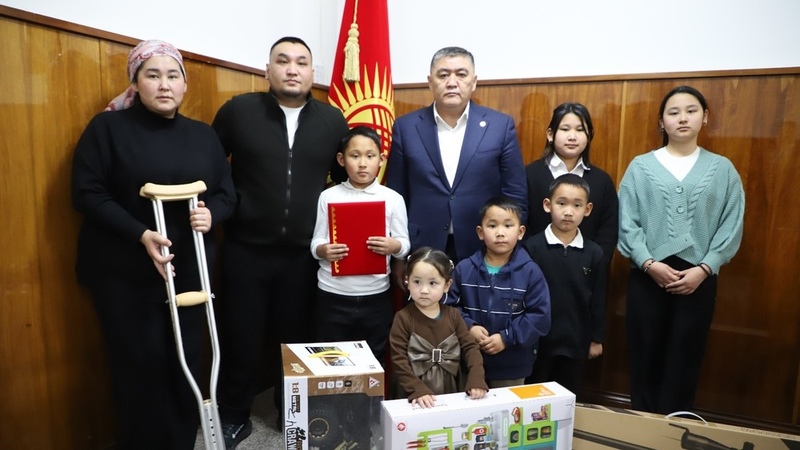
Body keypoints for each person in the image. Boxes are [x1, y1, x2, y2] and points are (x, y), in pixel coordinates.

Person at [71, 40, 236, 450]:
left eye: (173, 75)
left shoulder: (203, 135)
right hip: (126, 272)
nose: (164, 84)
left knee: (185, 362)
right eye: (153, 75)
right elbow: (87, 193)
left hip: (188, 272)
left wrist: (212, 214)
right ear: (135, 82)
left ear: (184, 85)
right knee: (139, 366)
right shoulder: (107, 129)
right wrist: (139, 233)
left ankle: (180, 441)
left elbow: (226, 192)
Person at [211, 36, 349, 447]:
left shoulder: (332, 120)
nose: (292, 69)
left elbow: (346, 182)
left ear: (312, 72)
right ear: (267, 70)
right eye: (283, 61)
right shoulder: (239, 111)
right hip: (245, 248)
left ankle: (292, 413)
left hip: (303, 255)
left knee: (297, 338)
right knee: (241, 335)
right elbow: (212, 165)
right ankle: (234, 414)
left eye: (301, 62)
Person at [618, 85, 745, 414]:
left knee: (685, 360)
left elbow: (731, 225)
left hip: (699, 280)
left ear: (705, 117)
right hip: (647, 276)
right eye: (673, 112)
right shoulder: (640, 167)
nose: (683, 118)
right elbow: (626, 222)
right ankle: (643, 427)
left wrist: (705, 269)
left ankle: (675, 430)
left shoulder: (723, 169)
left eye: (691, 110)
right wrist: (648, 263)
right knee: (644, 357)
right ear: (662, 122)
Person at [385, 46, 528, 285]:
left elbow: (515, 193)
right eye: (443, 75)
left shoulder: (500, 126)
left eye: (461, 74)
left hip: (483, 245)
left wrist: (510, 248)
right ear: (430, 82)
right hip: (423, 246)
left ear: (474, 81)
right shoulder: (406, 127)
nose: (452, 82)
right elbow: (397, 195)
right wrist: (399, 257)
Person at [311, 126, 410, 362]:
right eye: (355, 156)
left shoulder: (392, 199)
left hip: (375, 296)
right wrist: (323, 250)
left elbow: (405, 244)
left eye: (370, 156)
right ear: (341, 159)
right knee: (331, 360)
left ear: (381, 159)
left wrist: (393, 246)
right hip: (332, 295)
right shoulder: (329, 196)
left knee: (372, 360)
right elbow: (316, 242)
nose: (363, 164)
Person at [447, 196, 551, 388]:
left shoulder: (530, 272)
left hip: (513, 364)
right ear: (480, 232)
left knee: (507, 407)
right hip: (468, 361)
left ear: (520, 232)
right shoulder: (464, 269)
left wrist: (506, 337)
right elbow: (449, 306)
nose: (500, 233)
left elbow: (540, 317)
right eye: (492, 226)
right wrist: (469, 327)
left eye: (508, 226)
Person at [524, 174, 606, 397]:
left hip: (576, 342)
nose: (568, 212)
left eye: (577, 205)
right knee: (534, 398)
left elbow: (598, 298)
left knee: (568, 398)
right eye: (561, 203)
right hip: (538, 343)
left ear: (587, 209)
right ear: (547, 205)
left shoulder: (594, 253)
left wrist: (596, 339)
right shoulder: (532, 248)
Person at [389, 247, 489, 408]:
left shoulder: (454, 315)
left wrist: (476, 377)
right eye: (417, 282)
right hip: (412, 390)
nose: (424, 290)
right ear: (407, 281)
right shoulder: (403, 318)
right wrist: (416, 388)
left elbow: (470, 348)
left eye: (433, 283)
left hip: (450, 385)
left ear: (447, 285)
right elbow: (398, 359)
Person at [524, 102, 618, 268]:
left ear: (589, 136)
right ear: (550, 134)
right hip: (534, 269)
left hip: (586, 272)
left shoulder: (602, 181)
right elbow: (520, 223)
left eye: (580, 130)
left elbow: (608, 232)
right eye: (565, 129)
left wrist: (593, 267)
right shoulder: (529, 175)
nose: (572, 137)